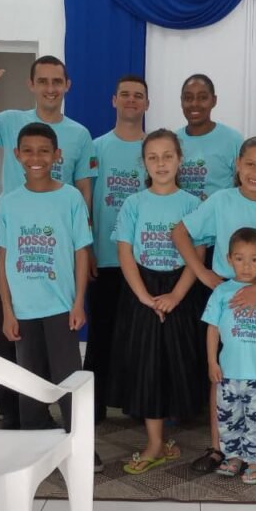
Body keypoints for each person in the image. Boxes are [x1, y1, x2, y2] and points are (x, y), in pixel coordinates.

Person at [0, 50, 97, 429]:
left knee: (62, 349)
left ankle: (71, 426)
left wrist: (86, 246)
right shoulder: (10, 121)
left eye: (57, 81)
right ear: (31, 84)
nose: (50, 88)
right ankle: (17, 416)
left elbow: (84, 191)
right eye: (42, 81)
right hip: (15, 245)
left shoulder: (79, 134)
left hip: (59, 250)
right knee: (15, 337)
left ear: (67, 86)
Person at [172, 136, 256, 473]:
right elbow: (180, 233)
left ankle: (253, 453)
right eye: (250, 164)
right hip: (225, 295)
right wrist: (203, 273)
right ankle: (220, 448)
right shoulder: (221, 200)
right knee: (223, 373)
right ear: (238, 165)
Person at [0, 123, 101, 471]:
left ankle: (80, 444)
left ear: (57, 156)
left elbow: (81, 252)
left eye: (44, 151)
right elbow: (2, 259)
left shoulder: (70, 198)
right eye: (28, 151)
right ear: (17, 155)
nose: (35, 158)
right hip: (23, 309)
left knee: (69, 378)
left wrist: (78, 302)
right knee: (30, 380)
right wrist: (7, 310)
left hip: (60, 307)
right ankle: (35, 443)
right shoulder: (9, 203)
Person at [107, 129, 207, 474]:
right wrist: (143, 297)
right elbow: (125, 252)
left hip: (181, 290)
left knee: (177, 364)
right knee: (146, 366)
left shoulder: (192, 204)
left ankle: (167, 437)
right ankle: (154, 442)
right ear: (144, 163)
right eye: (153, 157)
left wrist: (177, 294)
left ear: (180, 160)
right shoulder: (134, 204)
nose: (161, 163)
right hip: (143, 291)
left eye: (167, 156)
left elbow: (198, 254)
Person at [83, 75, 149, 424]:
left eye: (138, 95)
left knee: (140, 338)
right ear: (113, 100)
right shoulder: (96, 147)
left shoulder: (155, 149)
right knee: (101, 335)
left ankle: (137, 404)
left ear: (147, 104)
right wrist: (87, 249)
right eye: (125, 94)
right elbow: (85, 202)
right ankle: (92, 407)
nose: (131, 100)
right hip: (105, 257)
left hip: (145, 262)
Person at [203, 228, 256, 485]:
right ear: (229, 259)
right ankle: (233, 457)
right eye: (240, 259)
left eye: (254, 259)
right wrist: (212, 361)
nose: (247, 266)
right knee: (228, 418)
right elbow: (212, 329)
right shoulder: (221, 293)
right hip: (229, 371)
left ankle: (255, 460)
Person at [176, 74, 244, 202]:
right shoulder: (172, 141)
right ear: (181, 101)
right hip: (182, 214)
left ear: (214, 100)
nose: (194, 104)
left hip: (221, 213)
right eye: (188, 98)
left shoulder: (233, 140)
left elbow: (245, 186)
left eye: (202, 98)